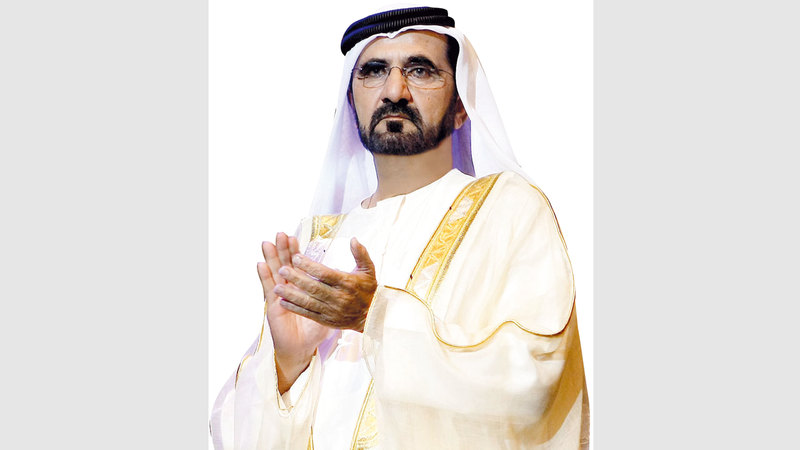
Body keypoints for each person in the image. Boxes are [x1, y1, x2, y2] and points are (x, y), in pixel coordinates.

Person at [211, 6, 589, 449]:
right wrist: (289, 364)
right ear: (351, 102)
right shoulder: (319, 241)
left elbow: (533, 384)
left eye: (420, 70)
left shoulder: (508, 208)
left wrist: (375, 317)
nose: (395, 91)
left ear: (462, 106)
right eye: (373, 71)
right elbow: (232, 433)